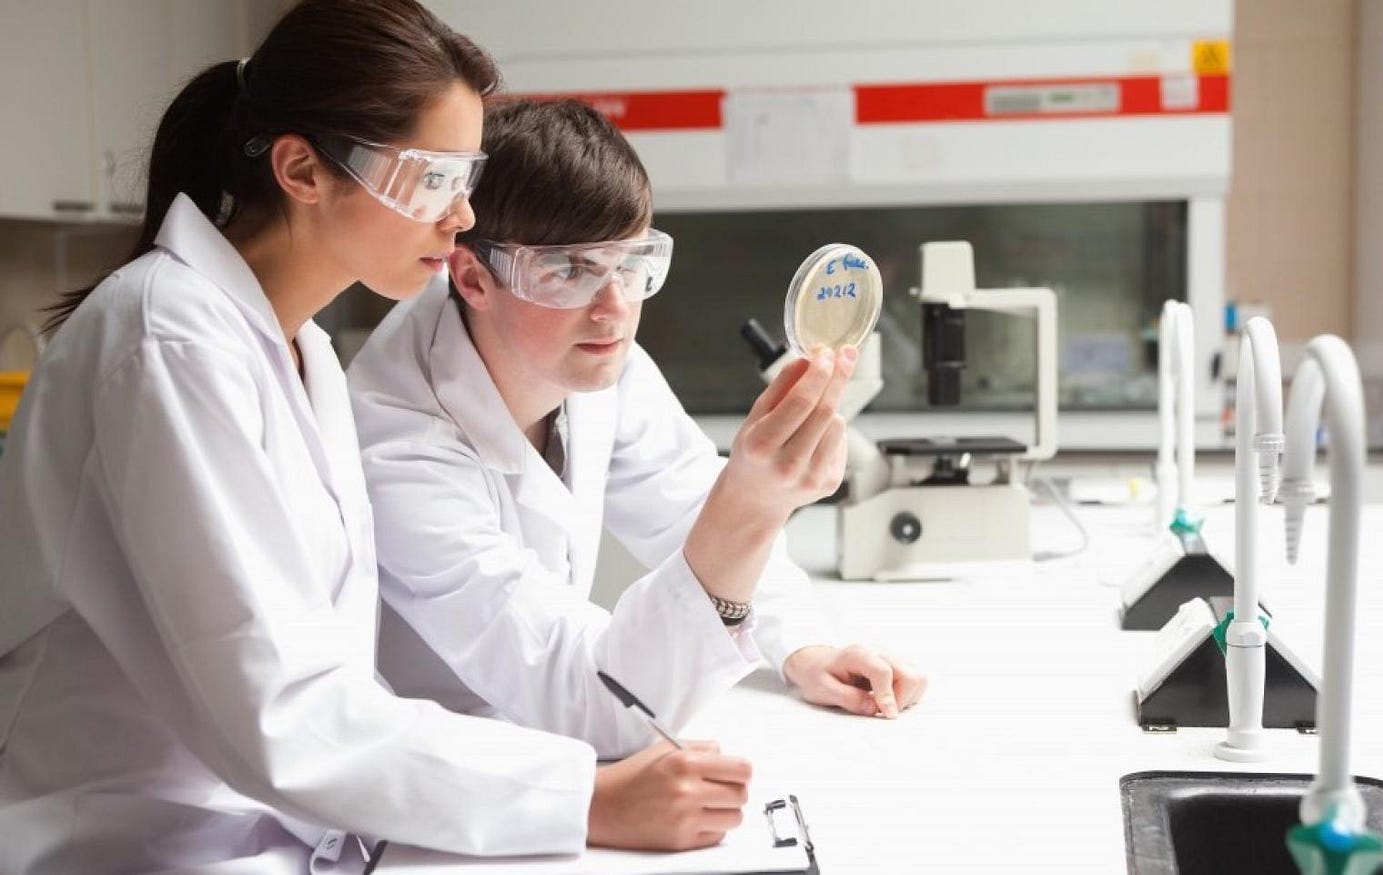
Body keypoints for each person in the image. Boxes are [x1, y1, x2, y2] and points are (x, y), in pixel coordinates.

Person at [0, 4, 749, 872]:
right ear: (302, 171)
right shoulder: (167, 339)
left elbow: (317, 692)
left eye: (465, 176)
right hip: (120, 839)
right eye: (432, 178)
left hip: (263, 826)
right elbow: (279, 707)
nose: (463, 215)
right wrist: (586, 797)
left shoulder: (297, 347)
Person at [348, 98, 928, 760]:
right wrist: (753, 503)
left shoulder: (592, 359)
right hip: (441, 778)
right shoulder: (397, 443)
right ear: (475, 276)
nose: (615, 308)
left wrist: (802, 643)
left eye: (630, 263)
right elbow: (594, 703)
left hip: (543, 748)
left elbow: (685, 503)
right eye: (569, 269)